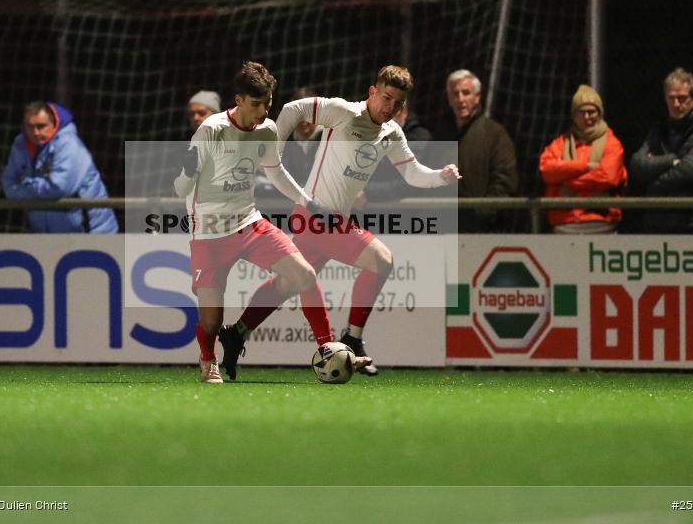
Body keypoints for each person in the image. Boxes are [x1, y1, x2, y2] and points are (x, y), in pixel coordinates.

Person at [218, 65, 460, 377]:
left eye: (398, 103)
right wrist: (273, 152)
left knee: (288, 283)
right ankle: (351, 338)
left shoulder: (391, 132)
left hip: (329, 220)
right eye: (386, 98)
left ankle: (236, 332)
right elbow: (294, 108)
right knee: (381, 260)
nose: (390, 107)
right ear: (372, 92)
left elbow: (412, 174)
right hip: (315, 217)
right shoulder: (345, 113)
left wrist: (440, 177)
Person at [174, 62, 365, 383]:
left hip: (249, 224)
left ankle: (328, 347)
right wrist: (187, 170)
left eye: (268, 104)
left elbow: (274, 170)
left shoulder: (268, 130)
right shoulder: (211, 129)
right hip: (209, 234)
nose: (263, 111)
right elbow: (179, 189)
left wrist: (306, 201)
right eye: (256, 104)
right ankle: (208, 360)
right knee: (210, 322)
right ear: (238, 100)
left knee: (304, 274)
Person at [628, 68, 693, 233]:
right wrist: (670, 161)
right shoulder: (658, 130)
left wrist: (652, 183)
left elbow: (691, 171)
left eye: (682, 98)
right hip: (657, 222)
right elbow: (636, 164)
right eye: (671, 98)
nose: (676, 104)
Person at [1, 101, 118, 233]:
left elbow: (60, 187)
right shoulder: (21, 144)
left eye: (41, 126)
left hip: (90, 232)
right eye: (30, 126)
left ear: (53, 124)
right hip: (45, 234)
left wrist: (26, 185)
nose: (35, 132)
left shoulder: (69, 144)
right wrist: (32, 189)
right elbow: (8, 183)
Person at [539, 85, 627, 233]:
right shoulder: (560, 143)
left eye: (591, 112)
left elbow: (608, 177)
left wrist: (565, 180)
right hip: (564, 222)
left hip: (601, 222)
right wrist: (584, 167)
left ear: (599, 114)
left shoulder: (612, 143)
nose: (587, 117)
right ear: (574, 116)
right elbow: (546, 170)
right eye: (582, 112)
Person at [440, 69, 518, 232]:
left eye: (466, 93)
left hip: (483, 232)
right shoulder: (441, 135)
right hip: (446, 229)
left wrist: (483, 213)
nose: (461, 99)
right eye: (455, 94)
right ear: (449, 99)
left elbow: (505, 180)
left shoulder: (494, 133)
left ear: (477, 97)